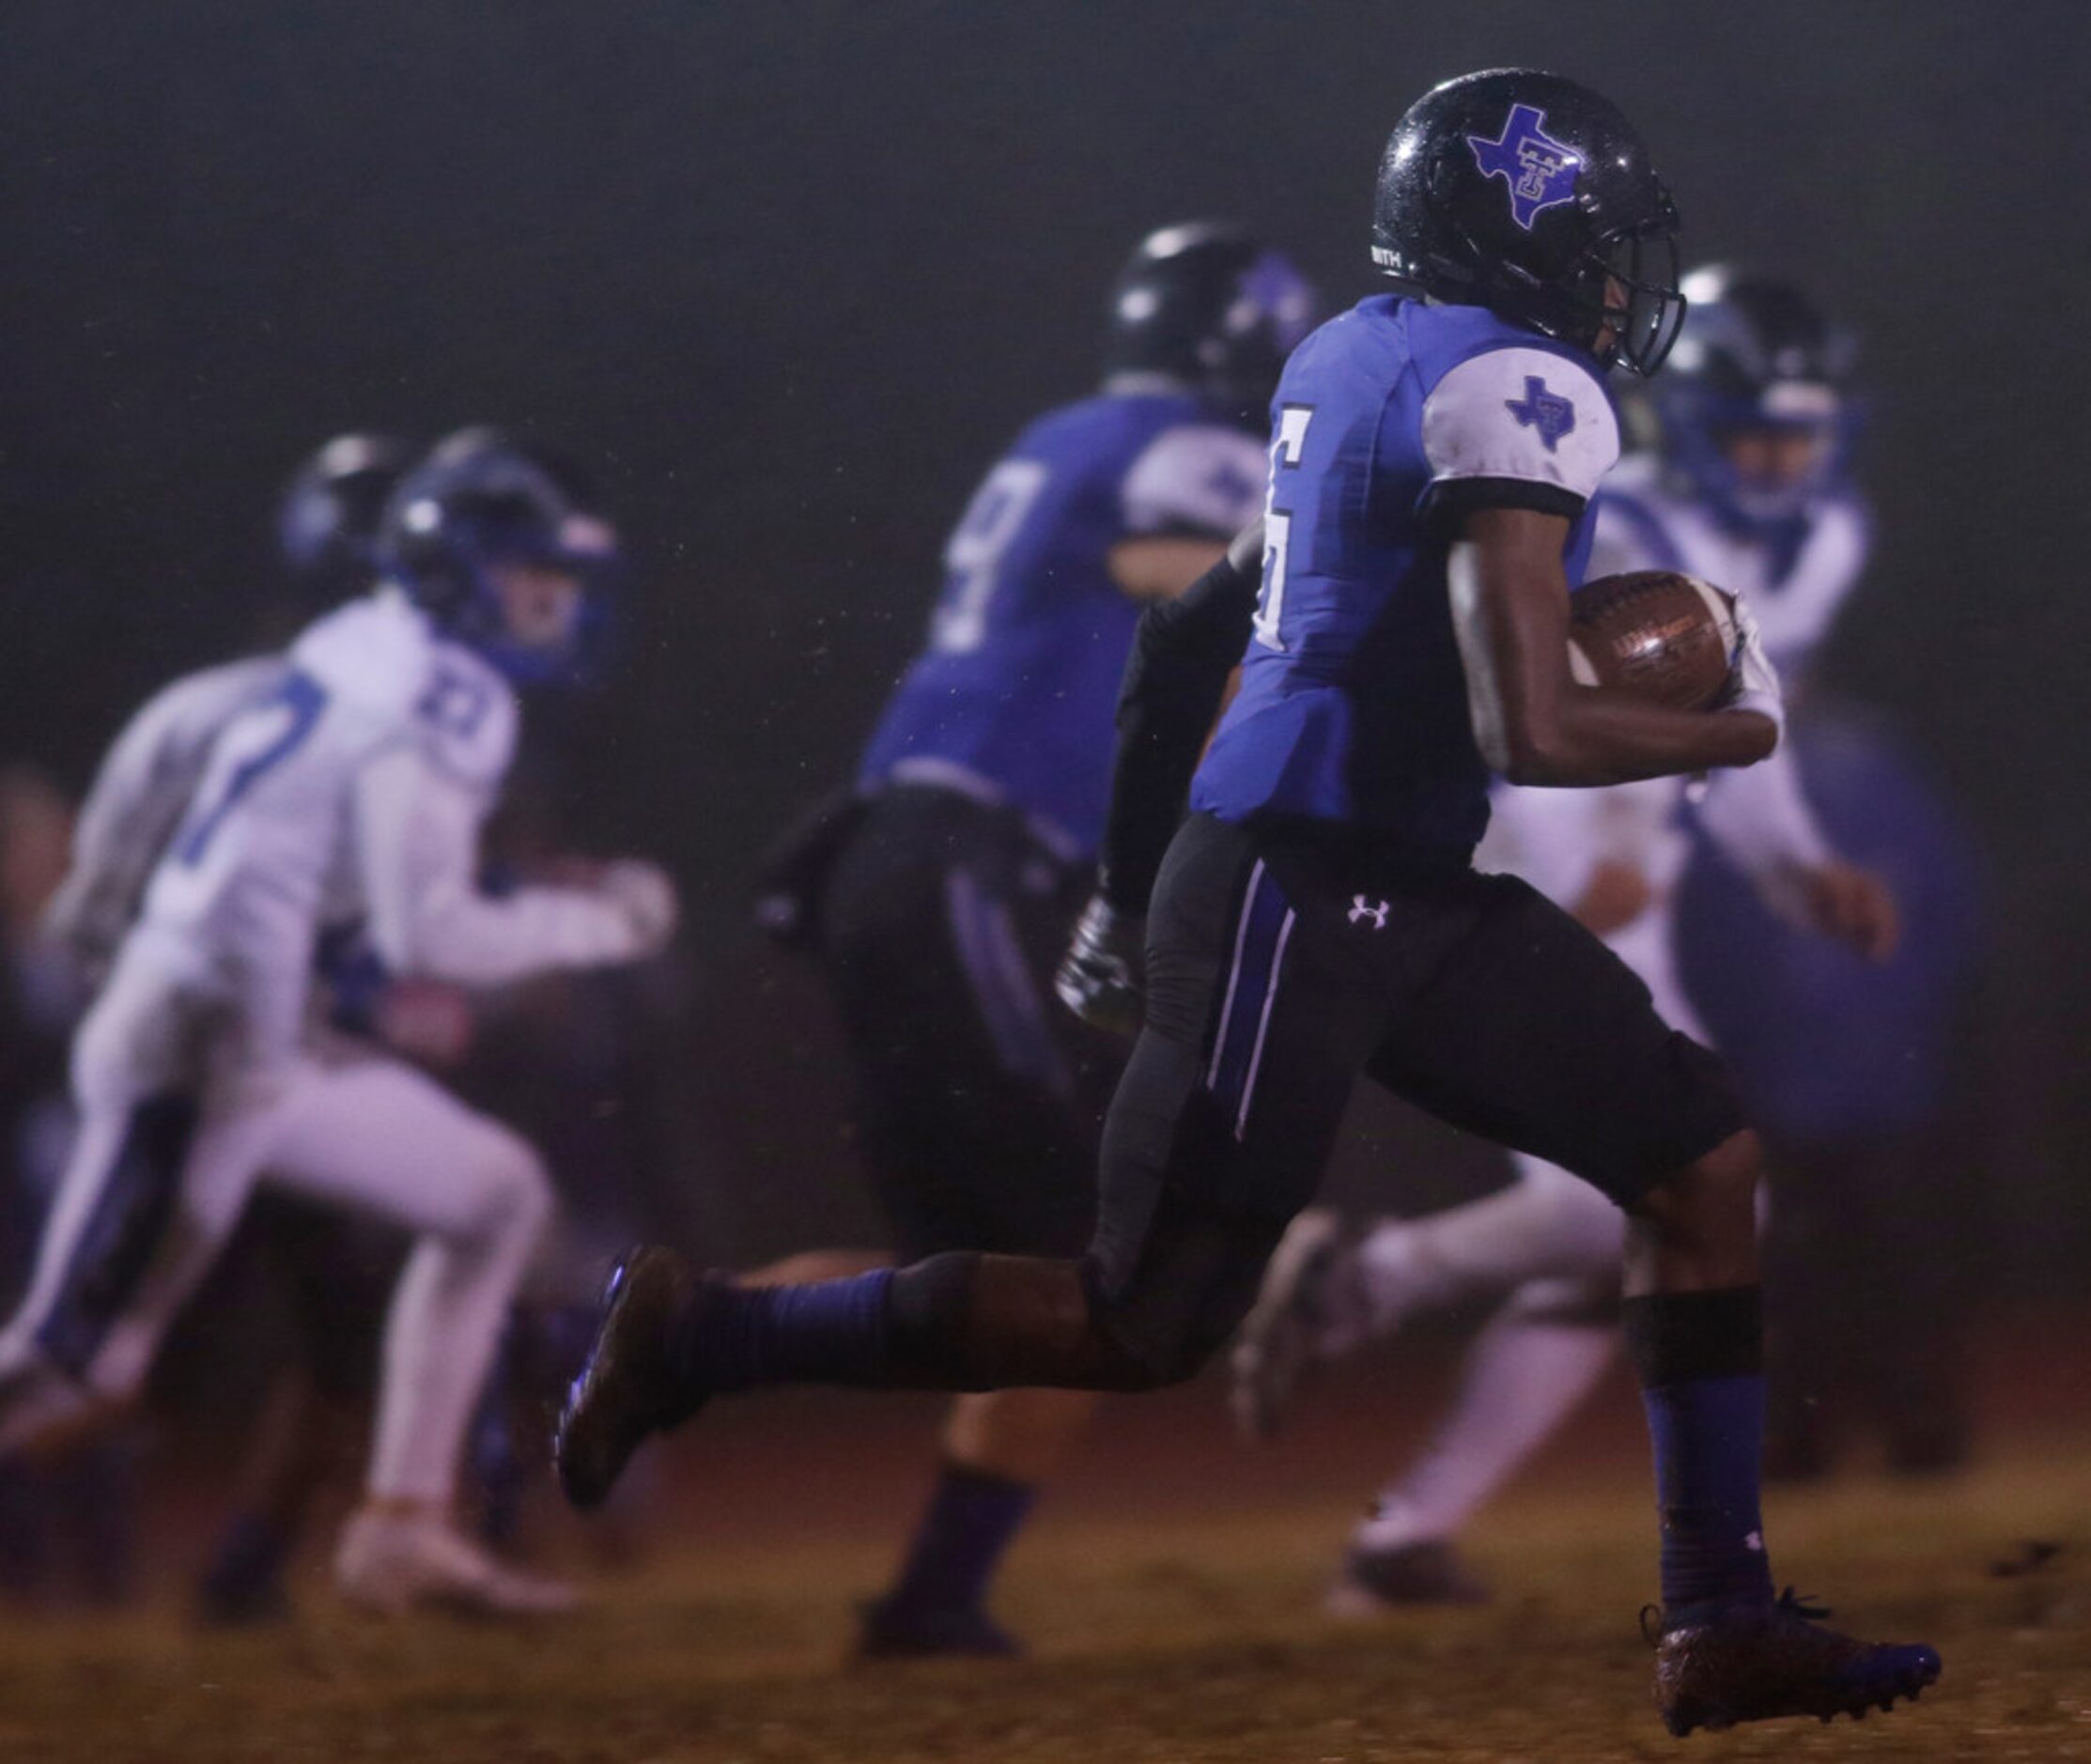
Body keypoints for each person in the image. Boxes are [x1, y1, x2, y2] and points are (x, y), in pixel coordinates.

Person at [557, 71, 1940, 1734]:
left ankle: (1719, 1616)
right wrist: (1739, 717)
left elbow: (1177, 641)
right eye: (1585, 235)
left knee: (1699, 1156)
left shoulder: (1345, 358)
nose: (1610, 278)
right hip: (1306, 878)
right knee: (1137, 1321)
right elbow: (1533, 725)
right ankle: (700, 1332)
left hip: (1378, 872)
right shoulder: (1518, 382)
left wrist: (1134, 893)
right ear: (1509, 231)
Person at [1226, 271, 1909, 1608]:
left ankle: (1398, 1505)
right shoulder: (1615, 502)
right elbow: (1506, 702)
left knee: (1643, 1212)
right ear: (1697, 415)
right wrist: (1561, 861)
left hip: (1627, 863)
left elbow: (1739, 702)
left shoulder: (1825, 532)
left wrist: (1792, 863)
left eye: (1800, 431)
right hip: (1509, 835)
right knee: (1671, 1187)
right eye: (1754, 428)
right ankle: (1370, 1295)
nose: (1778, 457)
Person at [0, 428, 677, 1616]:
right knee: (77, 1372)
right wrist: (600, 924)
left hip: (273, 1050)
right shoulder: (433, 692)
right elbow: (425, 934)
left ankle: (400, 1529)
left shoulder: (342, 659)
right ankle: (281, 1557)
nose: (557, 606)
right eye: (535, 578)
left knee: (491, 1197)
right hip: (204, 1048)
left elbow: (315, 903)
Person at [749, 222, 1309, 1657]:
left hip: (909, 852)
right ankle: (628, 1349)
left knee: (972, 1278)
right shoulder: (1178, 447)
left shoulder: (1066, 429)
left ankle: (924, 1589)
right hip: (965, 861)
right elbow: (1168, 563)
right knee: (1088, 1275)